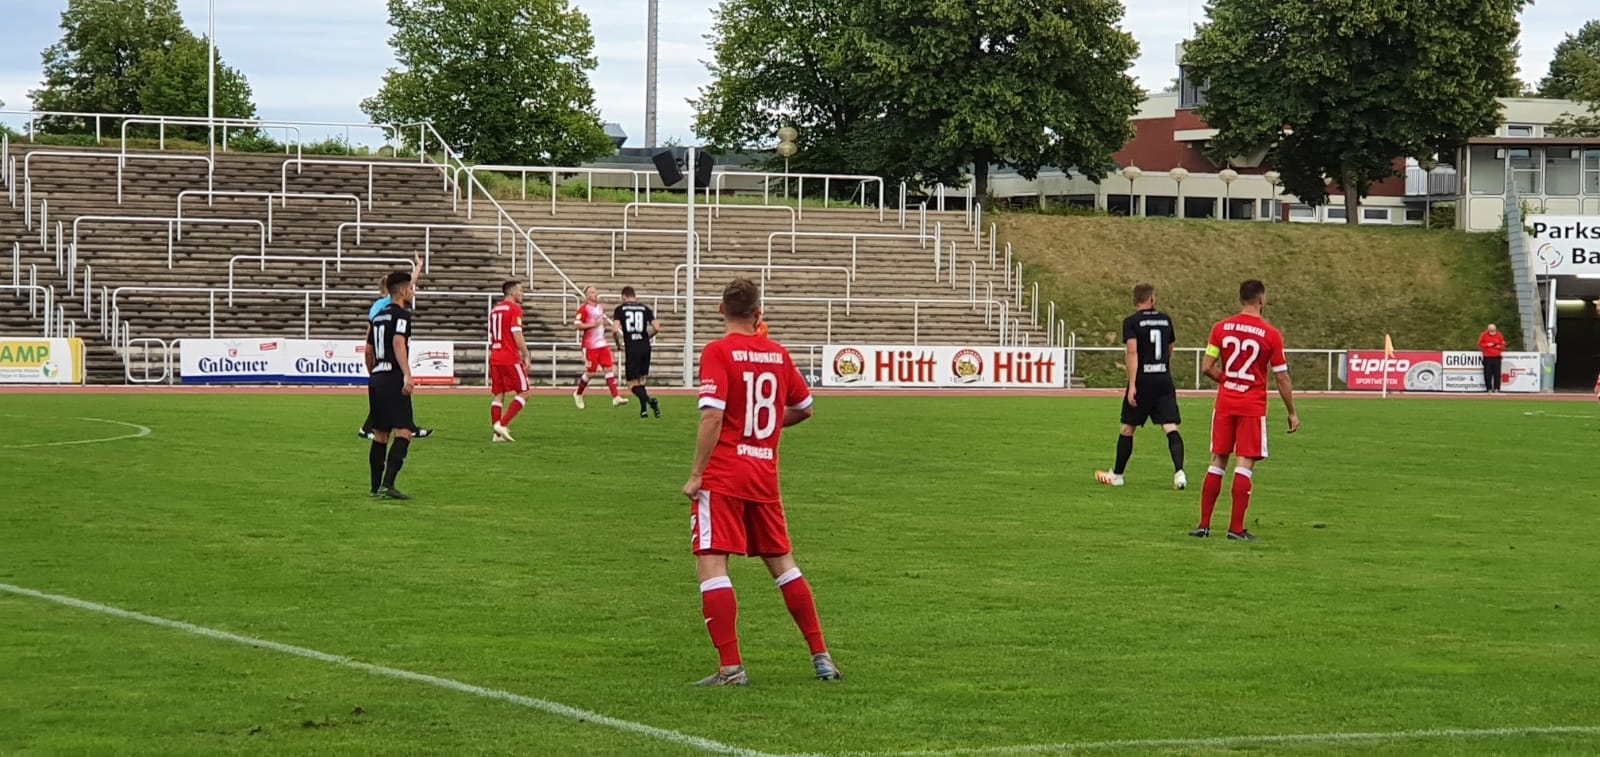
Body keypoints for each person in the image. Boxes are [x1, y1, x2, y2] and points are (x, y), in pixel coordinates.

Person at [683, 278, 840, 687]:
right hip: (764, 474)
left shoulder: (718, 352)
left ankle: (731, 668)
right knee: (783, 563)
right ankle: (821, 657)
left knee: (711, 561)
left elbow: (712, 416)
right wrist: (764, 430)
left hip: (724, 474)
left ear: (721, 310)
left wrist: (697, 473)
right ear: (758, 313)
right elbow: (805, 407)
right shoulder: (778, 354)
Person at [1190, 279, 1300, 541]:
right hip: (1251, 405)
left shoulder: (1221, 328)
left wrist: (1227, 381)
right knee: (1245, 463)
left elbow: (1206, 367)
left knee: (1218, 460)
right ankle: (1236, 529)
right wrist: (1291, 411)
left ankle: (1203, 525)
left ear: (1241, 298)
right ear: (1261, 299)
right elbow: (1281, 377)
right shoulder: (1271, 334)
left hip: (1225, 403)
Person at [1097, 284, 1186, 490]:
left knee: (1128, 428)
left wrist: (1132, 385)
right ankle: (1179, 473)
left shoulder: (1132, 322)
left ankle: (1117, 475)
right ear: (1152, 299)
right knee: (1170, 427)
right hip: (1163, 379)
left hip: (1143, 381)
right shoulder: (1165, 320)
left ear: (1135, 300)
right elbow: (1170, 348)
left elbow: (1132, 352)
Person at [360, 257, 432, 440]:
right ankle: (397, 428)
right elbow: (381, 335)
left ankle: (407, 426)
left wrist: (419, 266)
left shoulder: (379, 306)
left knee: (387, 397)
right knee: (396, 392)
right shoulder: (388, 307)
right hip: (387, 355)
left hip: (380, 358)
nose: (411, 289)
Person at [364, 271, 420, 500]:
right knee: (404, 432)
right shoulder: (402, 316)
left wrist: (374, 374)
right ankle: (388, 484)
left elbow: (368, 351)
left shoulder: (377, 316)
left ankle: (375, 487)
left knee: (380, 434)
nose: (413, 293)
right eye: (412, 289)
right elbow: (398, 343)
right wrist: (407, 374)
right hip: (393, 378)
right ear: (404, 291)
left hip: (377, 378)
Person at [489, 280, 533, 442]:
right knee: (524, 392)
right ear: (512, 292)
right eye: (520, 290)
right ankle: (503, 425)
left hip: (495, 355)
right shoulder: (514, 309)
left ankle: (497, 434)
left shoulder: (495, 310)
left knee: (499, 394)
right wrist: (526, 353)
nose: (522, 294)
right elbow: (517, 333)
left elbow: (492, 334)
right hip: (509, 356)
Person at [572, 286, 628, 410]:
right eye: (592, 292)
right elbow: (577, 325)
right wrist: (594, 324)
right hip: (590, 345)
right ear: (587, 296)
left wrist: (604, 323)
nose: (596, 293)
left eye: (596, 291)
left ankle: (616, 397)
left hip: (602, 343)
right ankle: (578, 393)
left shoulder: (600, 307)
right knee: (591, 372)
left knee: (609, 368)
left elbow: (601, 322)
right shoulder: (584, 309)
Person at [612, 286, 662, 418]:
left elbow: (615, 330)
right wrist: (647, 337)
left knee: (632, 384)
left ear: (623, 297)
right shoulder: (645, 308)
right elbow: (657, 328)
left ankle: (650, 401)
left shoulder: (620, 309)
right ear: (634, 296)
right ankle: (644, 411)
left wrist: (618, 344)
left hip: (632, 348)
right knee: (641, 381)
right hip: (645, 346)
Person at [1478, 323, 1507, 393]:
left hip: (1497, 356)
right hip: (1487, 356)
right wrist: (1487, 344)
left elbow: (1503, 345)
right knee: (1487, 373)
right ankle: (1489, 388)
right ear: (1488, 329)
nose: (1492, 330)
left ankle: (1497, 388)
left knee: (1497, 373)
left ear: (1495, 328)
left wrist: (1498, 346)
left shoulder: (1499, 335)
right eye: (1490, 328)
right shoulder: (1484, 335)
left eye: (1493, 328)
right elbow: (1480, 344)